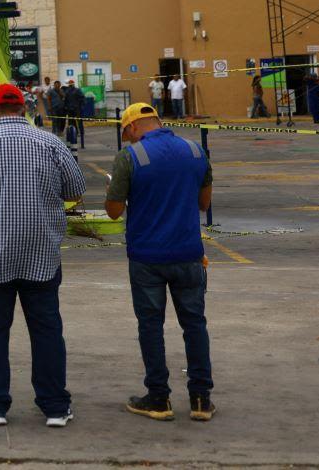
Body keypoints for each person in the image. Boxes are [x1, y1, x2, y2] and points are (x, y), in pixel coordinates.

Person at [0, 84, 86, 428]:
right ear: (24, 108)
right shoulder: (51, 144)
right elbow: (76, 190)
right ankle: (55, 406)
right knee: (47, 330)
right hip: (42, 254)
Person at [104, 102, 215, 422]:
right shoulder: (195, 151)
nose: (128, 141)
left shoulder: (130, 157)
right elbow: (204, 203)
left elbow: (113, 211)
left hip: (147, 258)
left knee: (151, 326)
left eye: (127, 134)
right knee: (195, 324)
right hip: (188, 254)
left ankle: (158, 398)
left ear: (133, 127)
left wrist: (113, 190)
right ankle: (200, 399)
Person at [62, 80, 85, 150]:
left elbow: (82, 98)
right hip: (70, 109)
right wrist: (65, 107)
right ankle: (73, 133)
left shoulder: (77, 90)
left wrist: (81, 106)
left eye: (70, 84)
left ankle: (81, 133)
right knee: (71, 122)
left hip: (77, 108)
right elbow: (65, 100)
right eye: (69, 84)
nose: (69, 85)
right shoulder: (67, 91)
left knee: (79, 122)